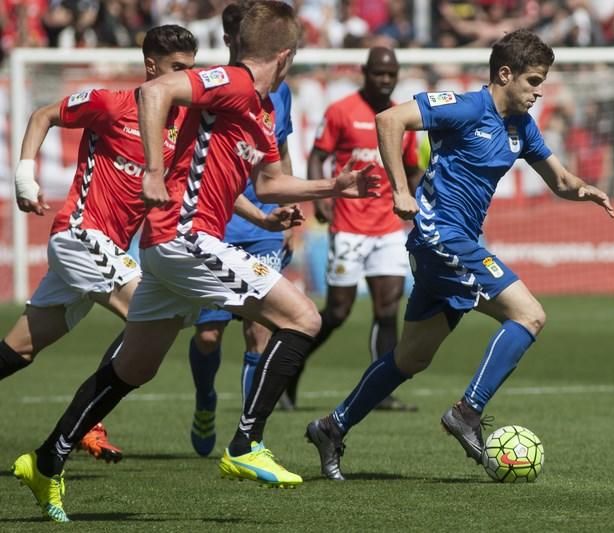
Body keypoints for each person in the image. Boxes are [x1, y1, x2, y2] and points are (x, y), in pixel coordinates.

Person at [12, 1, 379, 522]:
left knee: (133, 367)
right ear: (287, 54)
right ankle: (246, 443)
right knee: (303, 318)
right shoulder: (230, 82)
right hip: (186, 238)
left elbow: (270, 184)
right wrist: (154, 171)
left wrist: (333, 186)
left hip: (168, 250)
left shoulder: (264, 106)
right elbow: (156, 90)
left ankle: (48, 458)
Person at [306, 30, 614, 481]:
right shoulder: (468, 106)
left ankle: (332, 427)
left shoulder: (522, 126)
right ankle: (468, 412)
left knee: (410, 358)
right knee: (529, 315)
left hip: (457, 242)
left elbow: (561, 181)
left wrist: (583, 190)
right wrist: (399, 189)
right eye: (532, 80)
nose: (538, 91)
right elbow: (390, 120)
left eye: (542, 82)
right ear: (504, 74)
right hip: (440, 238)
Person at [1, 24, 198, 463]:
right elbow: (42, 116)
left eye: (191, 69)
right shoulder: (111, 104)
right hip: (79, 236)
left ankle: (86, 419)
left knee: (20, 349)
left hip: (105, 251)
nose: (185, 78)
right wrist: (24, 177)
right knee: (153, 316)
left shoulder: (184, 124)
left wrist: (260, 214)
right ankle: (88, 422)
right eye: (177, 68)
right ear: (152, 66)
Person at [284, 46, 422, 412]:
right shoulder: (341, 111)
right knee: (338, 312)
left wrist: (418, 192)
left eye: (391, 74)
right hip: (348, 224)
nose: (385, 80)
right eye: (379, 73)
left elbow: (412, 167)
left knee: (388, 307)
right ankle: (287, 373)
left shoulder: (402, 117)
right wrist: (322, 198)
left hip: (389, 226)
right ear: (365, 72)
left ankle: (381, 392)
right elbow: (318, 155)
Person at [187, 0, 297, 457]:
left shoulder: (280, 93)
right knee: (209, 335)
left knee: (261, 330)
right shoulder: (216, 88)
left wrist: (289, 208)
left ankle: (251, 434)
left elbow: (280, 151)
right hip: (217, 223)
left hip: (264, 226)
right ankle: (205, 399)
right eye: (230, 36)